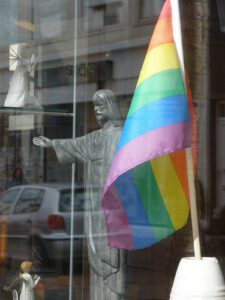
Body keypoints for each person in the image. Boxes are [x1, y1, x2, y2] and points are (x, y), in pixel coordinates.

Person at [33, 89, 125, 299]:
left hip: (113, 209)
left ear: (110, 107)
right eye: (94, 106)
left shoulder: (120, 137)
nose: (96, 110)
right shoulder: (94, 138)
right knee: (95, 258)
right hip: (94, 210)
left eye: (101, 105)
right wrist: (52, 144)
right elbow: (75, 145)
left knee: (112, 259)